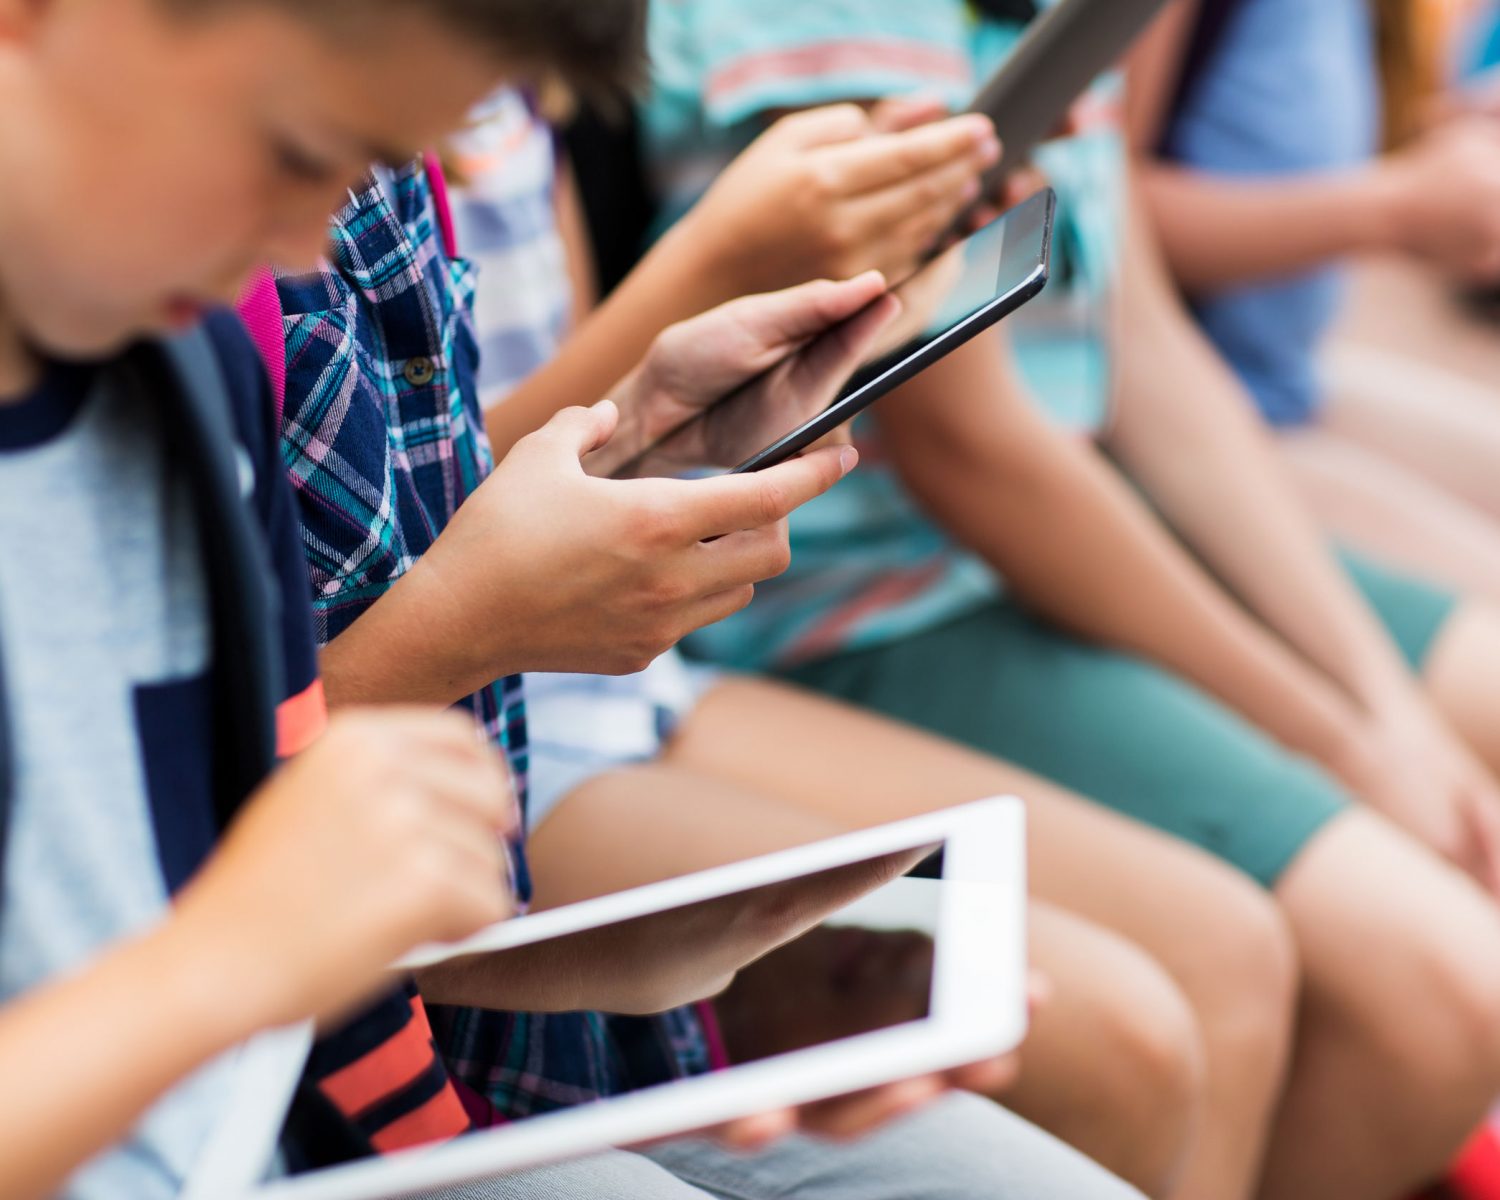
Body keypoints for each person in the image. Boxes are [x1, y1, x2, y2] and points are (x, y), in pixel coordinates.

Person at [633, 3, 1500, 1198]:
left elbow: (1150, 360)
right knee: (1439, 988)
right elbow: (972, 454)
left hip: (1037, 529)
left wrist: (1380, 705)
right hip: (870, 597)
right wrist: (1342, 737)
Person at [266, 118, 1151, 1197]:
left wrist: (634, 435)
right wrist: (471, 624)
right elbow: (167, 809)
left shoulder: (384, 159)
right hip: (293, 1032)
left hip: (424, 943)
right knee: (1117, 1024)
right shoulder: (200, 233)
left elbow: (412, 502)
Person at [455, 88, 1297, 1200]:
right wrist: (711, 266)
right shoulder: (332, 135)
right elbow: (425, 532)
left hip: (619, 680)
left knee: (1223, 949)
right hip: (487, 716)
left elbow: (519, 426)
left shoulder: (507, 88)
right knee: (1120, 1032)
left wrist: (667, 397)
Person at [1131, 0, 1500, 604]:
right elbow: (1094, 216)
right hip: (1195, 405)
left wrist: (1456, 135)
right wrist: (1400, 211)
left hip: (1292, 383)